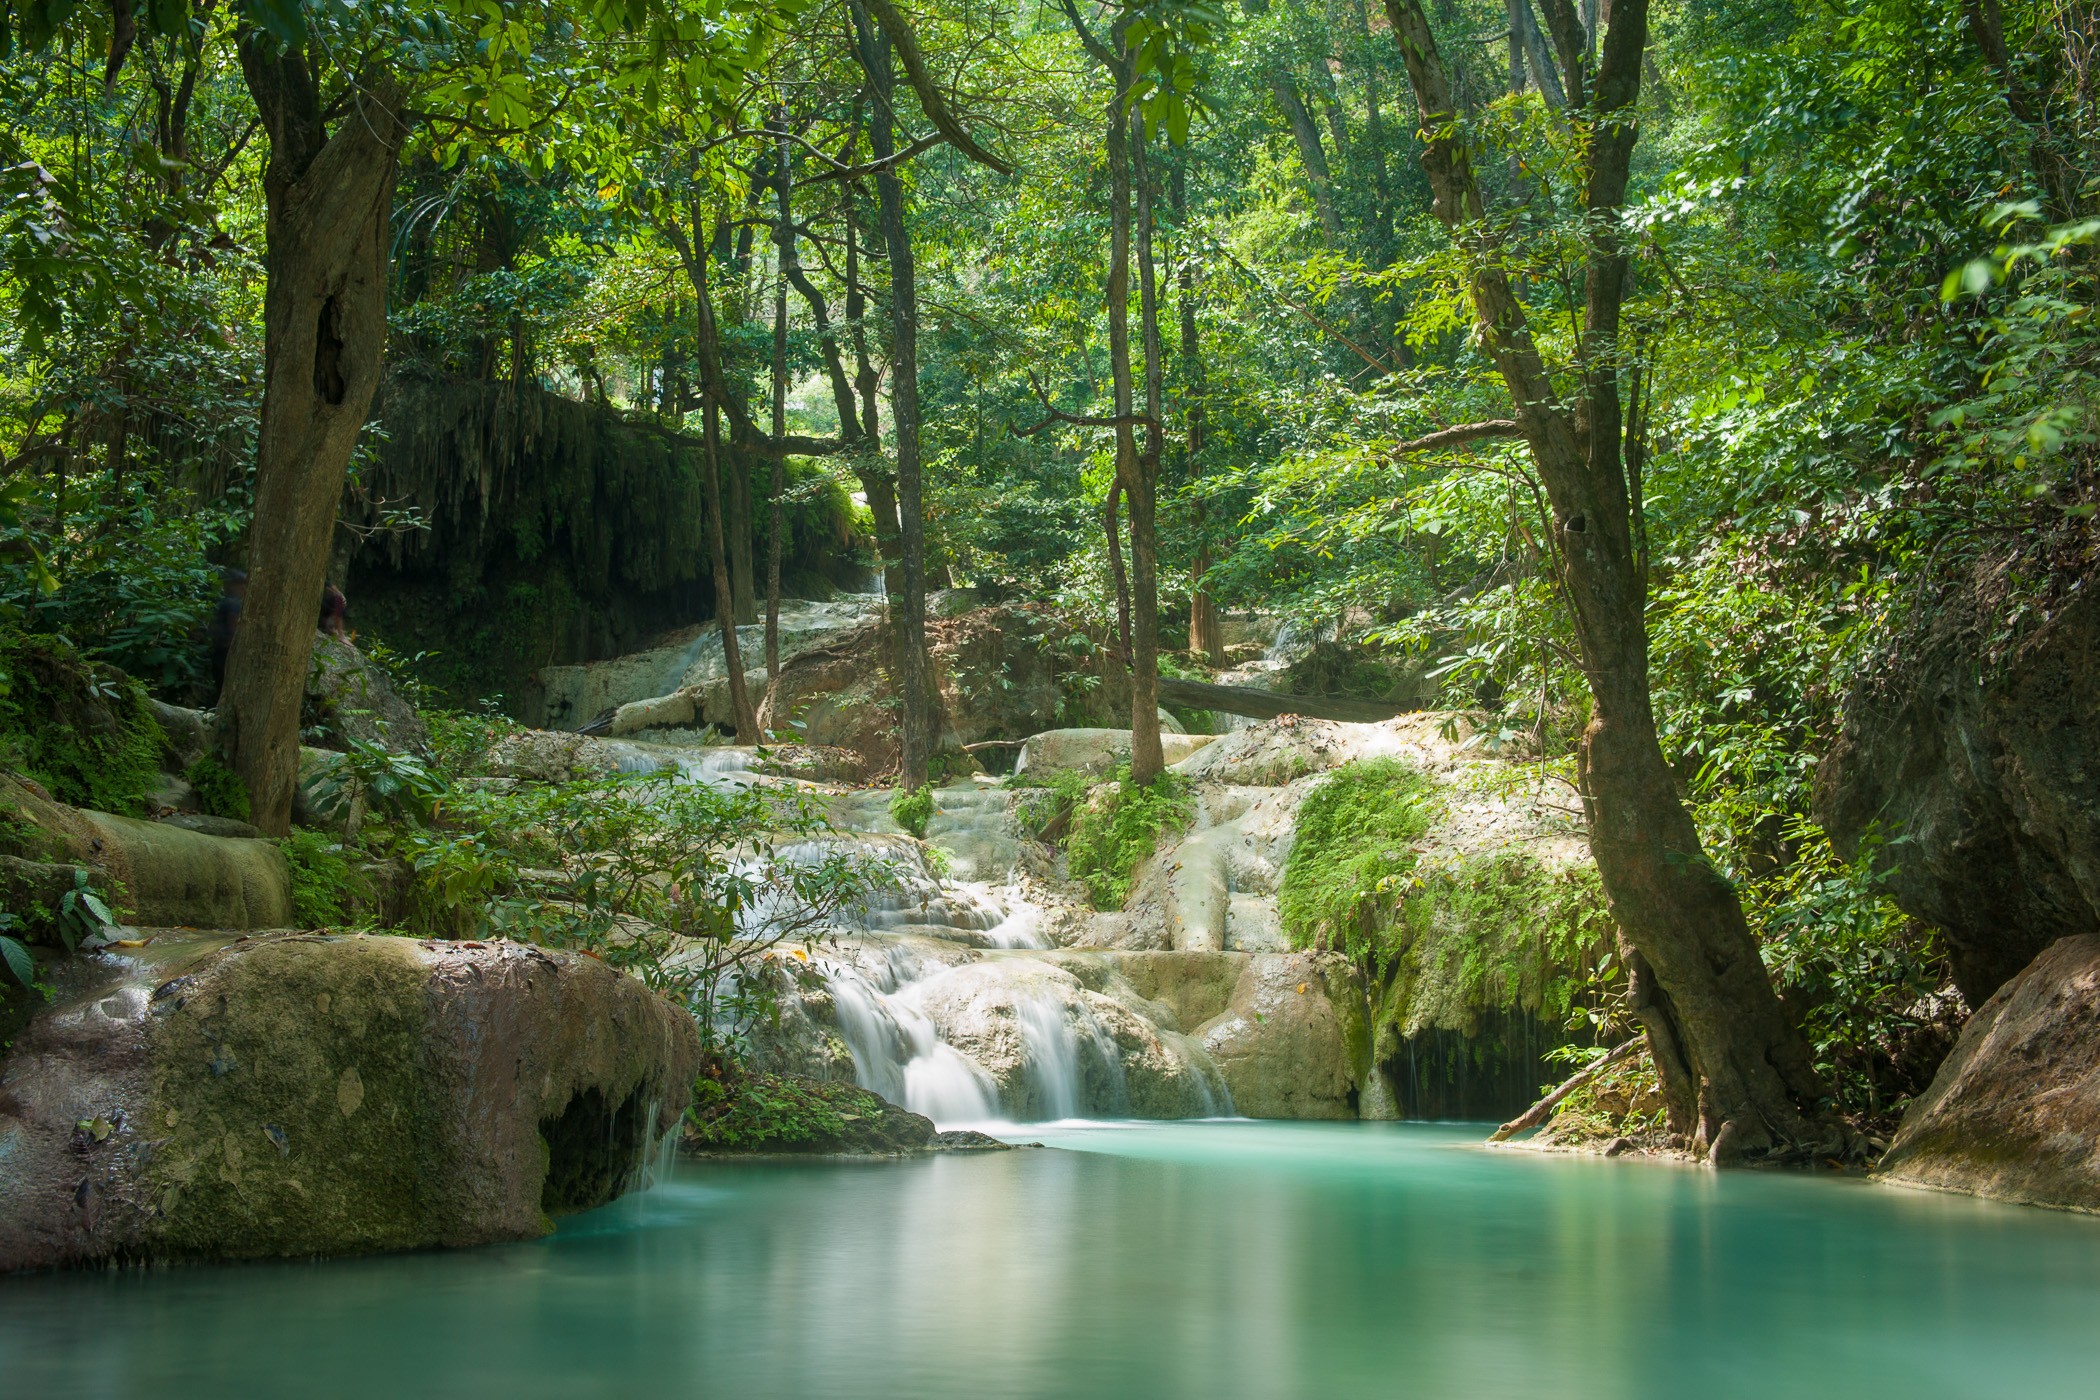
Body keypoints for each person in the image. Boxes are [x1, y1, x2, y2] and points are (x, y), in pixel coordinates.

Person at [207, 568, 246, 693]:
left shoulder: (228, 602)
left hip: (222, 652)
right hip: (227, 653)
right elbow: (233, 626)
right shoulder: (233, 603)